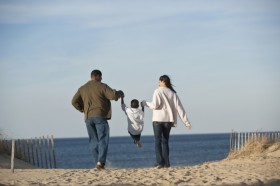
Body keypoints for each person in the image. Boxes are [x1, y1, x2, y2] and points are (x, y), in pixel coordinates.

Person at [71, 69, 124, 170]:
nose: (102, 78)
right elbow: (113, 95)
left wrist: (83, 109)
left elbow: (73, 101)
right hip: (100, 116)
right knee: (103, 139)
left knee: (93, 141)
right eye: (101, 76)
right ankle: (101, 162)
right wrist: (120, 93)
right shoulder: (102, 86)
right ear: (97, 76)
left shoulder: (82, 88)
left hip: (88, 118)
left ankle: (97, 162)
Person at [141, 75, 191, 169]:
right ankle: (166, 163)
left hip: (158, 120)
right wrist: (186, 122)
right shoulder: (173, 93)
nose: (158, 83)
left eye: (159, 81)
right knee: (165, 141)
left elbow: (155, 105)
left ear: (162, 81)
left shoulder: (157, 91)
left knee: (157, 141)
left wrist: (144, 103)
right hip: (168, 120)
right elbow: (180, 108)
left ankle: (160, 162)